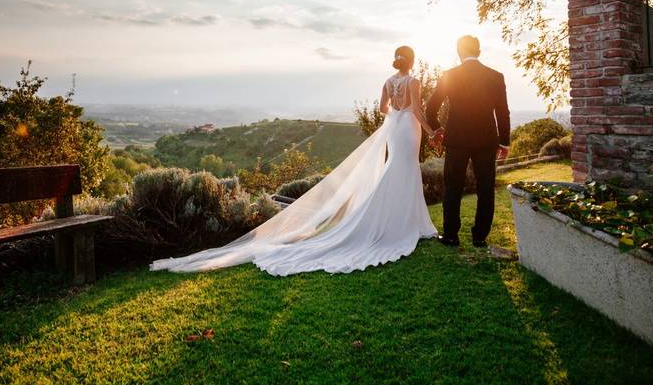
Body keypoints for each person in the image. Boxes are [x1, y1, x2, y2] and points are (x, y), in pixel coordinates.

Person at [150, 45, 438, 276]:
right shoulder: (413, 81)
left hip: (394, 129)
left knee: (396, 169)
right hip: (408, 129)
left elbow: (382, 108)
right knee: (406, 169)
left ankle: (402, 221)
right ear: (411, 61)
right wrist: (431, 131)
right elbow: (416, 110)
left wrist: (394, 117)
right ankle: (409, 224)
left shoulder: (388, 81)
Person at [426, 35, 510, 248]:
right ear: (478, 51)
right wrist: (504, 142)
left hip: (456, 139)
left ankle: (451, 235)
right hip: (486, 140)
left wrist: (438, 129)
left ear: (459, 52)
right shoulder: (495, 76)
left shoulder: (449, 75)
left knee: (453, 186)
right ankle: (480, 236)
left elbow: (430, 108)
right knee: (486, 188)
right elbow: (503, 112)